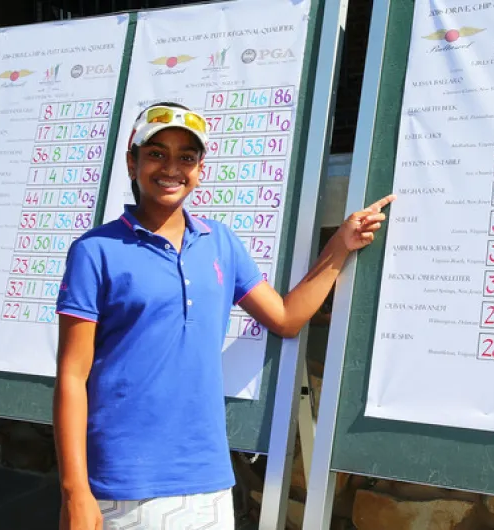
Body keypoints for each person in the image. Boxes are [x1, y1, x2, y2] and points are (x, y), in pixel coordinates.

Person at [53, 102, 394, 530]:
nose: (172, 167)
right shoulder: (94, 251)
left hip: (208, 480)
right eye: (156, 153)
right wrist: (75, 492)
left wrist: (340, 246)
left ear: (199, 168)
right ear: (132, 161)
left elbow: (285, 317)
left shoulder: (221, 244)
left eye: (186, 157)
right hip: (122, 485)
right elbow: (71, 376)